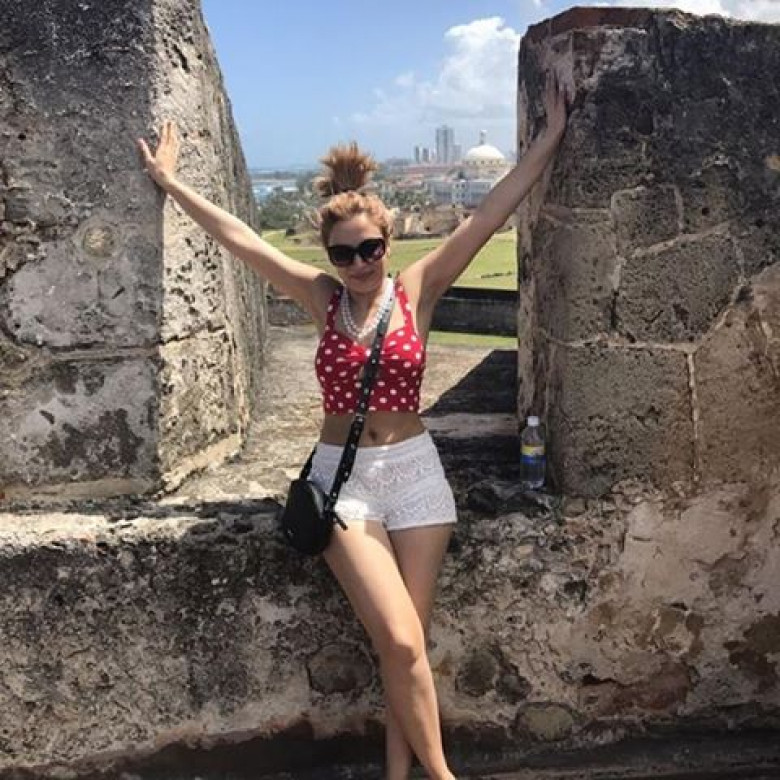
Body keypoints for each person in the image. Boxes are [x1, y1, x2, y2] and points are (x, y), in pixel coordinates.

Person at [137, 75, 567, 780]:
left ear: (387, 243)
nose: (359, 264)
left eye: (368, 249)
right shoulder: (322, 298)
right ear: (329, 258)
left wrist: (548, 140)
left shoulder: (417, 289)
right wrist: (170, 182)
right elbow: (241, 240)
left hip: (417, 476)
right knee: (399, 640)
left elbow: (489, 215)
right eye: (343, 254)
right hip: (346, 484)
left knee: (407, 647)